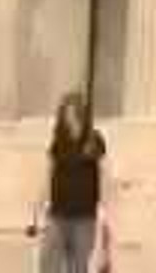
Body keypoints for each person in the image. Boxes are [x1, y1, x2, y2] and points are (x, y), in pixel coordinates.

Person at [33, 92, 108, 273]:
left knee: (78, 266)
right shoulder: (58, 142)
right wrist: (38, 204)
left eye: (73, 115)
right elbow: (48, 174)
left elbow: (104, 173)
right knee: (47, 263)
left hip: (84, 216)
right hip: (58, 213)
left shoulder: (95, 139)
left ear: (81, 115)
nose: (70, 120)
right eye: (66, 115)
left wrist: (105, 207)